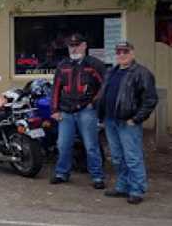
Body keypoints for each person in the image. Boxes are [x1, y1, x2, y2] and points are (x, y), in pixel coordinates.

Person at [99, 41, 158, 205]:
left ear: (132, 53)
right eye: (118, 52)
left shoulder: (142, 73)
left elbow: (150, 99)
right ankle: (122, 186)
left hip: (128, 123)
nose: (121, 55)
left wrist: (136, 118)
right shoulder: (111, 72)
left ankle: (137, 190)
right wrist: (101, 116)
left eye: (125, 51)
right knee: (117, 157)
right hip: (110, 121)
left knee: (133, 157)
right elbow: (104, 95)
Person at [50, 33, 107, 189]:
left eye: (77, 45)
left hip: (86, 111)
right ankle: (62, 173)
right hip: (66, 111)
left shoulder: (95, 64)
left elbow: (105, 86)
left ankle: (97, 176)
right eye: (71, 46)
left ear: (84, 45)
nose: (74, 49)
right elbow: (55, 89)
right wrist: (54, 109)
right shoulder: (63, 65)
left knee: (91, 145)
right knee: (63, 144)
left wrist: (94, 103)